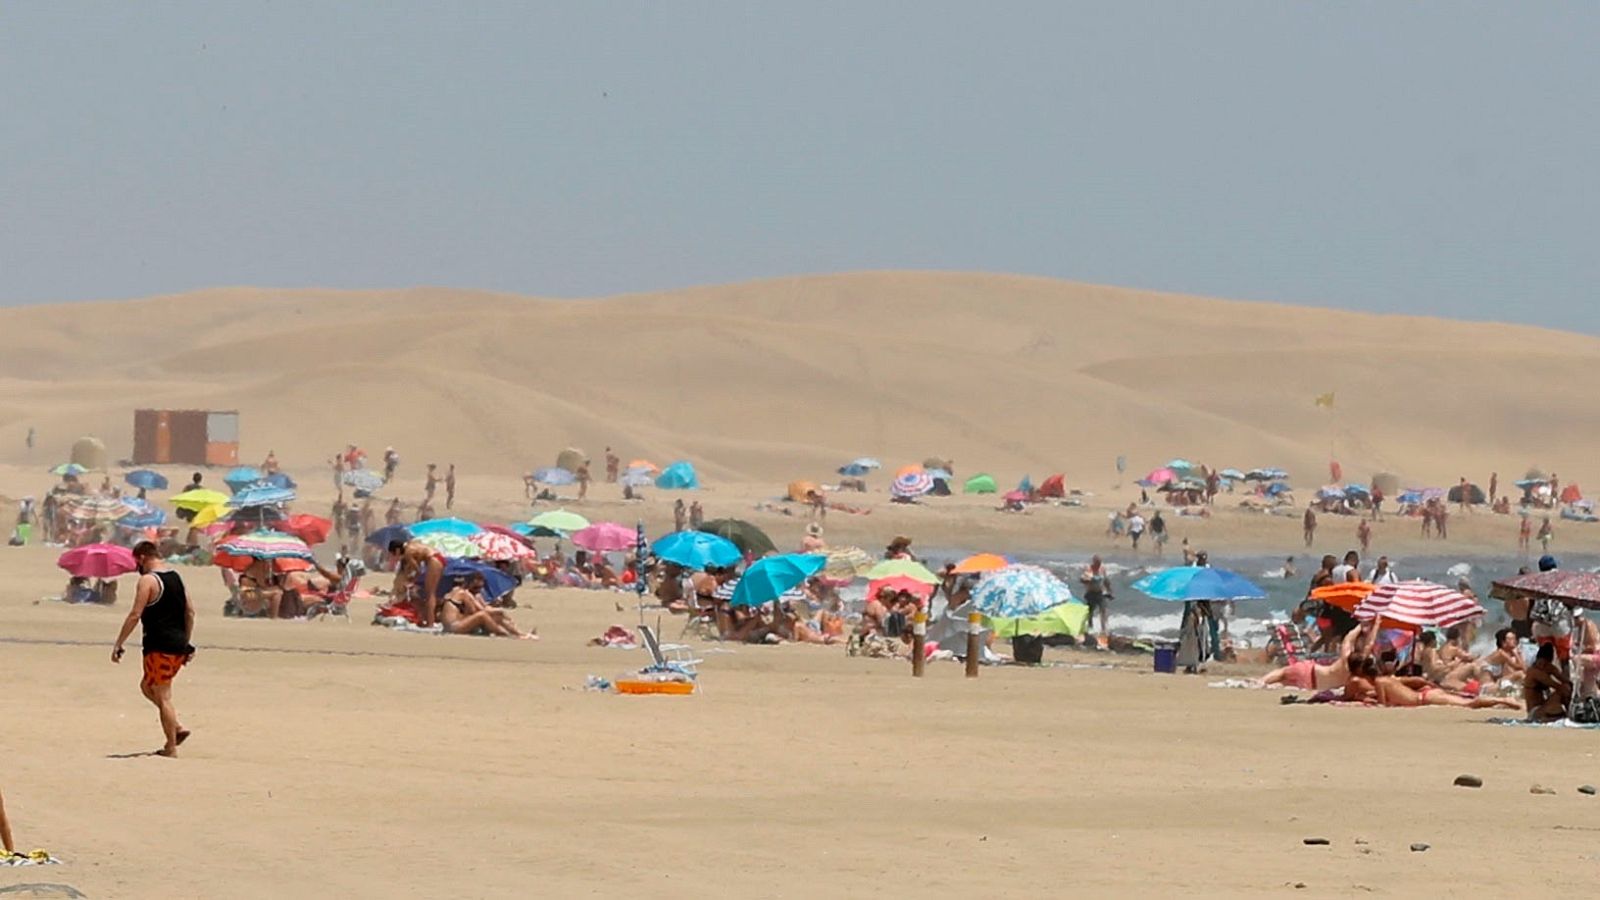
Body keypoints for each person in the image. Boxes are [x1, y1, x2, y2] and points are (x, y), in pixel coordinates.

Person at [111, 541, 195, 757]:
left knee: (163, 694)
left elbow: (135, 614)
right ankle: (175, 726)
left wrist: (119, 642)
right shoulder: (177, 578)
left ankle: (171, 746)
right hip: (177, 643)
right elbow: (190, 612)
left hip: (159, 645)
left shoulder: (148, 581)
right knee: (147, 686)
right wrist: (186, 642)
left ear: (141, 557)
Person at [390, 539, 446, 628]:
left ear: (397, 550)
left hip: (434, 560)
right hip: (437, 558)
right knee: (431, 593)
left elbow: (417, 570)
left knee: (430, 594)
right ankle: (429, 620)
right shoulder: (412, 544)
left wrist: (412, 580)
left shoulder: (408, 553)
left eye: (394, 554)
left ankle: (430, 623)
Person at [1525, 641, 1572, 722]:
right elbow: (1555, 685)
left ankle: (1570, 711)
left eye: (1545, 663)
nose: (1542, 665)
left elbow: (1565, 680)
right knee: (1562, 690)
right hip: (1535, 711)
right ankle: (1568, 713)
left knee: (1566, 687)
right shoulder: (1533, 672)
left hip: (1544, 706)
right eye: (1540, 662)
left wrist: (1553, 670)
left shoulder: (1548, 667)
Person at [1080, 556, 1112, 649]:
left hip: (1100, 593)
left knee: (1103, 611)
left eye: (1099, 563)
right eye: (1097, 563)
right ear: (1094, 562)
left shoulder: (1102, 569)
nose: (1098, 565)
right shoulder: (1089, 569)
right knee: (1090, 612)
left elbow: (1106, 580)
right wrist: (1088, 579)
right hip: (1091, 593)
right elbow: (1082, 580)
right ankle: (1090, 628)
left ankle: (1104, 629)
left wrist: (1109, 591)